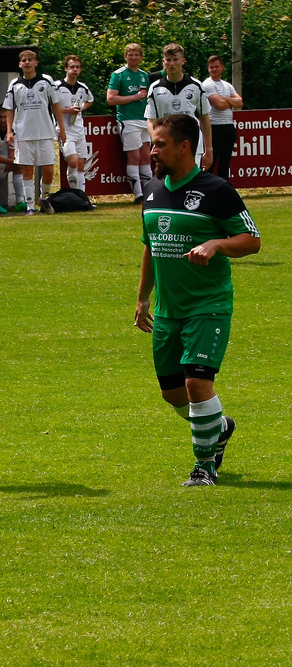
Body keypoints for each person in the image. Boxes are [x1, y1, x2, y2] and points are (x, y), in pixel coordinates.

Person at [134, 114, 260, 486]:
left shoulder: (216, 189)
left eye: (160, 144)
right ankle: (219, 427)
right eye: (152, 144)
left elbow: (252, 240)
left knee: (196, 386)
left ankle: (204, 467)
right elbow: (150, 245)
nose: (152, 151)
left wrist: (217, 243)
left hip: (207, 306)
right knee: (172, 393)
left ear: (185, 146)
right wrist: (143, 298)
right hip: (168, 310)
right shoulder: (154, 190)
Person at [2, 49, 66, 215]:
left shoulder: (47, 81)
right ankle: (30, 205)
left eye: (30, 59)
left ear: (36, 62)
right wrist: (9, 131)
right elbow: (9, 108)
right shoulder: (14, 84)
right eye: (24, 60)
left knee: (49, 171)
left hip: (45, 131)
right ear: (20, 64)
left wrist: (62, 129)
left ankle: (43, 197)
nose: (27, 62)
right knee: (27, 170)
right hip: (23, 133)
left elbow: (56, 105)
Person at [145, 43, 213, 171]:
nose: (172, 63)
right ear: (163, 62)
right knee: (170, 185)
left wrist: (208, 149)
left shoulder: (196, 85)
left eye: (175, 59)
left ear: (183, 61)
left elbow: (204, 117)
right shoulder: (155, 88)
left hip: (192, 145)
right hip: (166, 146)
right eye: (168, 60)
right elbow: (150, 120)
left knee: (190, 184)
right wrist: (156, 140)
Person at [107, 43, 152, 203]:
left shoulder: (143, 75)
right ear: (125, 56)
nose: (133, 57)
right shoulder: (118, 74)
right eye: (130, 54)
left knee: (146, 156)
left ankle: (149, 194)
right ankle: (138, 195)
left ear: (141, 57)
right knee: (135, 156)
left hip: (144, 119)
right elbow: (111, 99)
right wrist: (133, 97)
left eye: (136, 54)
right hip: (127, 120)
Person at [55, 54, 94, 192]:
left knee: (81, 163)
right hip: (64, 129)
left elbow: (90, 100)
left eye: (77, 67)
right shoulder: (56, 86)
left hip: (79, 129)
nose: (75, 69)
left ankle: (82, 196)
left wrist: (80, 109)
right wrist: (68, 111)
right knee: (73, 161)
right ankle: (74, 193)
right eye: (72, 67)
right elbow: (51, 106)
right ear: (66, 68)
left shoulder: (83, 87)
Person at [202, 55, 243, 181]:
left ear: (222, 68)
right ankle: (207, 189)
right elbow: (219, 105)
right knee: (211, 162)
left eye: (216, 67)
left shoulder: (227, 85)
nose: (214, 69)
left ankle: (223, 189)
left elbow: (240, 103)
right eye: (211, 67)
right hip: (214, 127)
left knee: (225, 162)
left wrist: (224, 98)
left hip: (228, 126)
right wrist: (230, 101)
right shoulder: (207, 84)